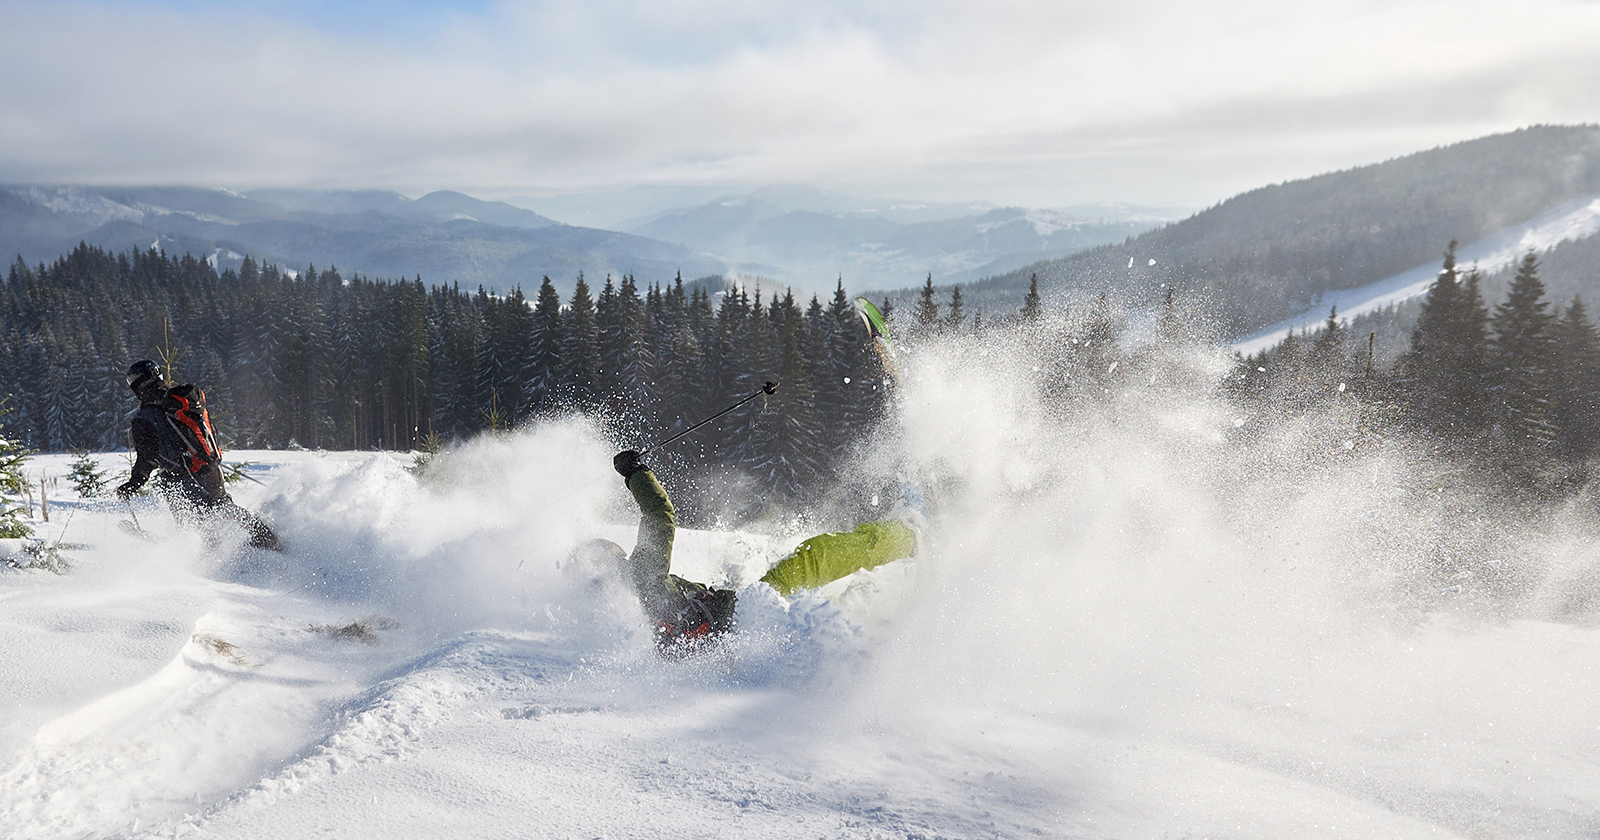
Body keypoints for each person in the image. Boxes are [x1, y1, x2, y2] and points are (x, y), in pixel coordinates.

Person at [607, 448, 917, 652]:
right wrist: (636, 474)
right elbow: (660, 515)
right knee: (816, 556)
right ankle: (908, 536)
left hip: (741, 643)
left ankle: (882, 621)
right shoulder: (638, 580)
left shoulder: (615, 621)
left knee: (820, 606)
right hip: (744, 621)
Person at [116, 359, 281, 551]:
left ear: (139, 385)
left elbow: (147, 456)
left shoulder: (145, 417)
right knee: (223, 507)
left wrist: (134, 482)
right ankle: (266, 537)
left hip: (182, 477)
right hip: (209, 465)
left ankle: (210, 562)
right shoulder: (181, 401)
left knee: (195, 525)